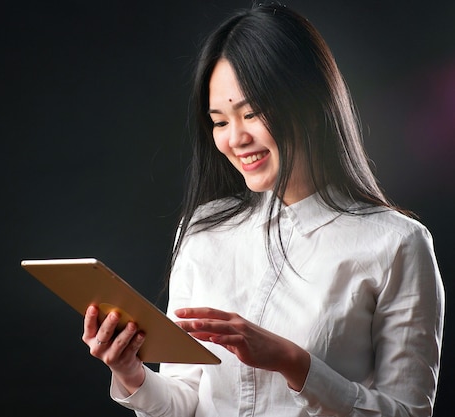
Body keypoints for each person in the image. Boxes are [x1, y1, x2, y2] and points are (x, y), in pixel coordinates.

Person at [81, 3, 445, 416]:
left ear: (308, 103)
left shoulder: (396, 244)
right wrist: (131, 373)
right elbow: (187, 402)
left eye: (251, 113)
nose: (235, 138)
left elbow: (409, 411)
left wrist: (294, 363)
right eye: (219, 121)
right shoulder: (203, 230)